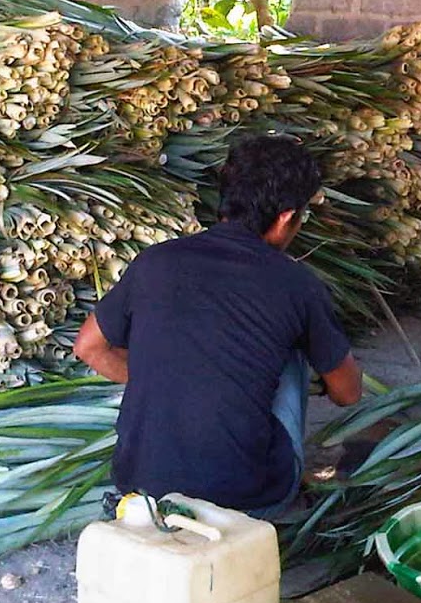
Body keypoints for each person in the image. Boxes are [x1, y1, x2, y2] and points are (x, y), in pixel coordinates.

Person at [73, 133, 364, 518]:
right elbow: (348, 393)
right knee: (291, 355)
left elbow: (88, 347)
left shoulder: (155, 262)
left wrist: (170, 376)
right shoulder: (296, 284)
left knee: (177, 347)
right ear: (286, 217)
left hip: (139, 488)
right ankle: (273, 500)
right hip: (245, 497)